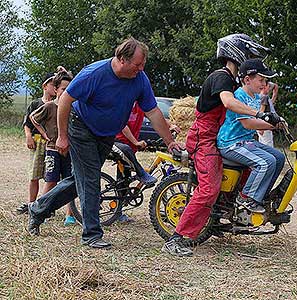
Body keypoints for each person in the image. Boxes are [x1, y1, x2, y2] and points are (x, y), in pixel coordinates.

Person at [27, 37, 182, 249]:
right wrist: (62, 136)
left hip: (107, 133)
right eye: (137, 65)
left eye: (143, 65)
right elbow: (65, 101)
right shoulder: (95, 73)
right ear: (121, 59)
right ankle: (91, 234)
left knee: (79, 180)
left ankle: (37, 209)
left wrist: (170, 141)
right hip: (81, 128)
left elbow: (153, 112)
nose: (141, 69)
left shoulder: (140, 79)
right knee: (90, 179)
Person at [162, 33, 279, 257]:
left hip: (217, 136)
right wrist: (259, 114)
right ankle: (176, 239)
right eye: (249, 54)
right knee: (209, 189)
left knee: (245, 170)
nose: (250, 58)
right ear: (237, 53)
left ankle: (224, 216)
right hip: (204, 138)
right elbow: (228, 102)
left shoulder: (234, 80)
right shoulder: (221, 77)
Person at [218, 58, 285, 213]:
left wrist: (276, 122)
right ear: (247, 80)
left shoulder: (255, 97)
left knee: (279, 158)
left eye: (266, 81)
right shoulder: (239, 95)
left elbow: (257, 122)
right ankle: (246, 199)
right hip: (230, 143)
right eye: (261, 80)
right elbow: (248, 123)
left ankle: (261, 195)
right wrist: (273, 125)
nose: (264, 84)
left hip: (245, 142)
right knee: (265, 162)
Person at [30, 68, 76, 226]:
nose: (66, 92)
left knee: (70, 182)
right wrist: (44, 133)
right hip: (52, 150)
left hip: (69, 151)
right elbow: (33, 117)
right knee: (51, 181)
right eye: (63, 89)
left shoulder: (72, 107)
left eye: (69, 89)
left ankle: (70, 215)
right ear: (56, 90)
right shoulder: (49, 107)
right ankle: (41, 210)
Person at [16, 73, 56, 214]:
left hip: (52, 143)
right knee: (34, 174)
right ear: (45, 86)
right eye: (52, 84)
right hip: (38, 141)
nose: (55, 87)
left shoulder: (58, 104)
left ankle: (46, 205)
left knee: (51, 176)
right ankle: (31, 204)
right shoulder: (36, 104)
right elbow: (27, 123)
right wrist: (28, 136)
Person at [257, 81, 279, 147]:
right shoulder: (264, 97)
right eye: (268, 87)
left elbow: (275, 86)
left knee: (262, 143)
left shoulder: (260, 97)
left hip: (263, 126)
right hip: (264, 126)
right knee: (268, 145)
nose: (269, 89)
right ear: (264, 87)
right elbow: (261, 113)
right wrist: (260, 128)